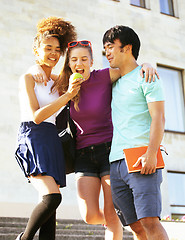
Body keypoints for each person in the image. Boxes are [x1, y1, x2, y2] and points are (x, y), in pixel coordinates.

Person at [45, 39, 159, 240]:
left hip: (109, 151)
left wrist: (147, 65)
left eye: (83, 59)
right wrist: (35, 70)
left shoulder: (105, 76)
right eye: (74, 60)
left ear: (91, 61)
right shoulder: (64, 84)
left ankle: (114, 221)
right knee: (89, 216)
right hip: (82, 154)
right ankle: (116, 220)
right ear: (69, 64)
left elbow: (130, 69)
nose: (79, 63)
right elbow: (42, 78)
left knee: (110, 212)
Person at [15, 17, 81, 240]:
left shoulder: (58, 80)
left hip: (52, 140)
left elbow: (83, 70)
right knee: (52, 198)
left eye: (57, 49)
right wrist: (68, 96)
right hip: (34, 136)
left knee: (50, 208)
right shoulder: (29, 77)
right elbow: (37, 116)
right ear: (37, 49)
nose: (53, 53)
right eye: (47, 48)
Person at [103, 25, 169, 240]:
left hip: (142, 158)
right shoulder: (111, 82)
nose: (107, 53)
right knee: (135, 227)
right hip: (116, 163)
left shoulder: (147, 77)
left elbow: (159, 117)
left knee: (149, 221)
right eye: (105, 48)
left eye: (111, 47)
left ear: (127, 48)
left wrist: (151, 153)